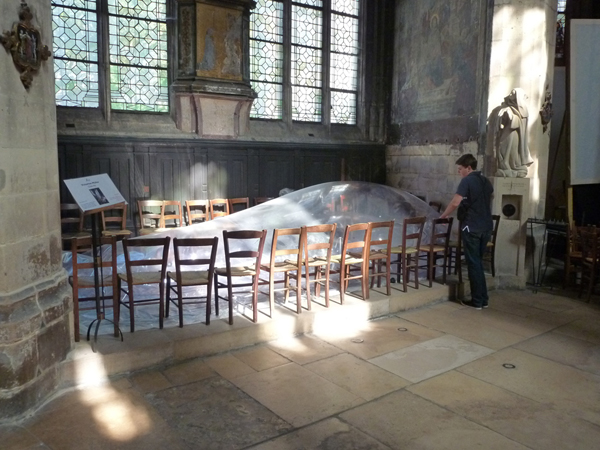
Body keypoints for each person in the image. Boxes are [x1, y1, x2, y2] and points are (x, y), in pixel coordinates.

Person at [440, 154, 494, 310]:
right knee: (478, 263)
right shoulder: (485, 181)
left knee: (473, 264)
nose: (459, 172)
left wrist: (443, 216)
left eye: (460, 169)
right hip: (486, 227)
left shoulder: (467, 181)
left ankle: (477, 301)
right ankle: (483, 299)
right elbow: (489, 196)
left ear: (468, 168)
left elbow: (455, 202)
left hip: (472, 227)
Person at [490, 88, 533, 178]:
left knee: (514, 153)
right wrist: (504, 116)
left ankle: (514, 167)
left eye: (513, 93)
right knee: (504, 149)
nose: (510, 95)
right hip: (506, 133)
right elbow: (499, 121)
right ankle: (505, 165)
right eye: (511, 93)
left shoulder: (523, 110)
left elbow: (522, 126)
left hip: (516, 135)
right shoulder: (505, 108)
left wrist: (514, 119)